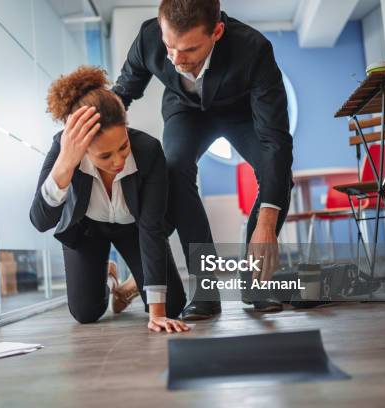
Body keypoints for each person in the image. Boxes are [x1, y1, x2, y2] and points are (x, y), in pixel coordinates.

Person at [113, 0, 294, 319]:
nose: (177, 60)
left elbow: (275, 141)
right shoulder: (149, 39)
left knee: (276, 174)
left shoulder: (253, 49)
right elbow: (121, 93)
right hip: (185, 112)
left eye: (189, 50)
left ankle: (255, 283)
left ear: (217, 32)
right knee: (173, 168)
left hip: (241, 114)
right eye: (171, 47)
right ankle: (205, 289)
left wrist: (266, 224)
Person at [29, 66, 189, 333]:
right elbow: (40, 220)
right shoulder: (64, 149)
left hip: (135, 229)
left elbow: (151, 228)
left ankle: (131, 286)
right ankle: (110, 275)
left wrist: (158, 314)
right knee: (86, 313)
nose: (118, 161)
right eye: (104, 156)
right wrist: (66, 164)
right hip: (87, 230)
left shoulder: (148, 151)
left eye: (123, 146)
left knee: (172, 304)